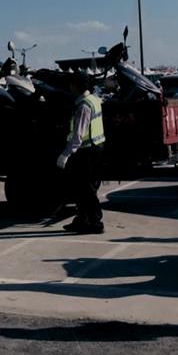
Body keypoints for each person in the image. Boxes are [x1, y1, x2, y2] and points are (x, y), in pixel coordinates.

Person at [56, 72, 105, 234]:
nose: (70, 87)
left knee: (87, 189)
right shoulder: (94, 100)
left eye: (72, 84)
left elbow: (78, 135)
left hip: (87, 152)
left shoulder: (84, 106)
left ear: (76, 86)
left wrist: (65, 154)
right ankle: (83, 219)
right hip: (95, 147)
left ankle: (95, 222)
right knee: (83, 188)